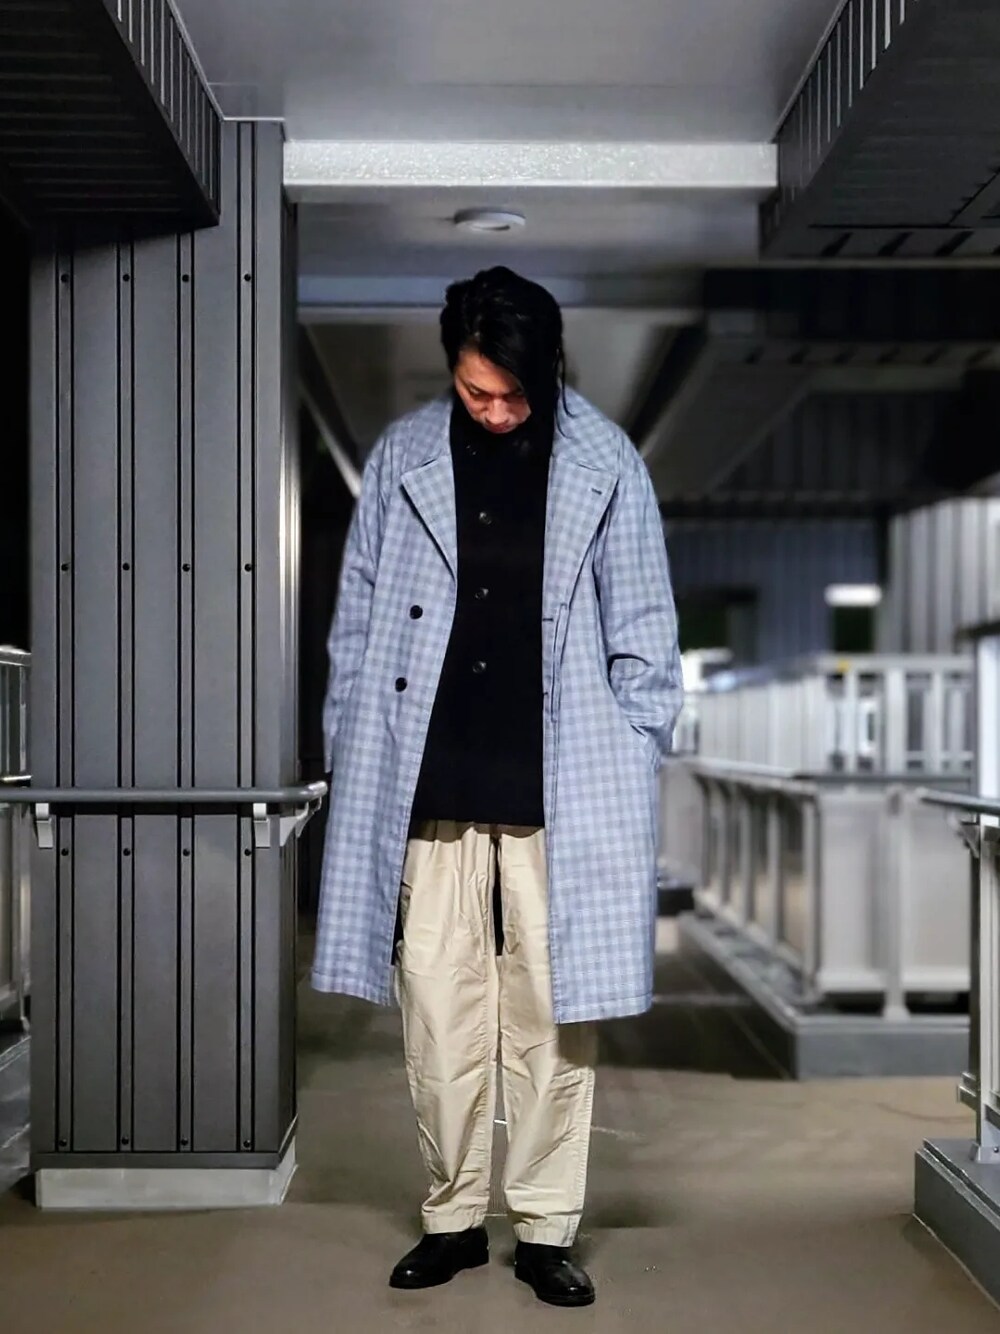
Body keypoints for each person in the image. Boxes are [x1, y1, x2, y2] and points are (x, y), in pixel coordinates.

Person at [312, 266, 683, 1308]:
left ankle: (546, 1228)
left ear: (548, 370)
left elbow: (646, 628)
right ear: (453, 371)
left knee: (553, 1018)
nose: (495, 410)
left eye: (513, 393)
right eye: (476, 390)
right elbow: (357, 620)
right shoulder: (403, 457)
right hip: (426, 772)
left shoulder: (605, 462)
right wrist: (349, 735)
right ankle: (451, 1218)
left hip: (562, 781)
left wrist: (637, 739)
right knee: (437, 1009)